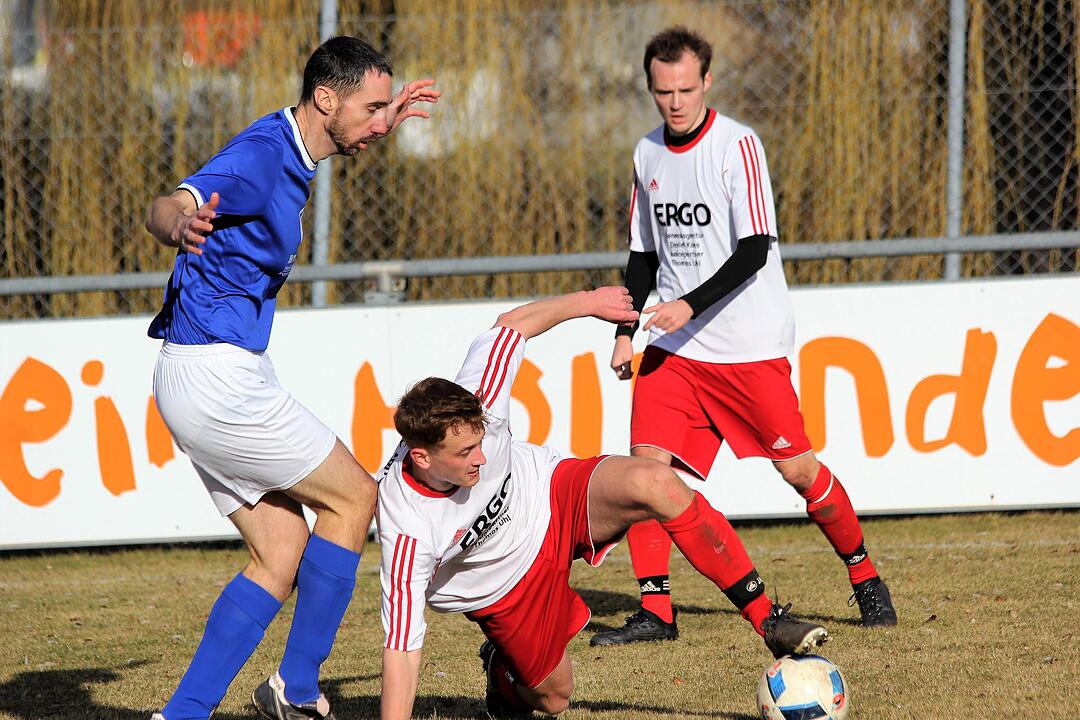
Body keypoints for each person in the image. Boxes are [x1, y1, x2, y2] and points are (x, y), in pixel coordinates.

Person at [144, 36, 439, 720]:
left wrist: (382, 118)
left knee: (282, 549)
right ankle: (296, 687)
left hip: (197, 373)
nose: (376, 121)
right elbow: (164, 203)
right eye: (368, 107)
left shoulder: (298, 145)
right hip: (217, 375)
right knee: (356, 498)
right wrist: (179, 223)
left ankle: (182, 714)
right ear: (326, 99)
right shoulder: (260, 155)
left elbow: (338, 135)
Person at [376, 287, 828, 719]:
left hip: (551, 494)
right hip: (504, 588)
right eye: (464, 454)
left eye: (480, 442)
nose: (482, 456)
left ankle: (768, 619)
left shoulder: (480, 398)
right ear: (421, 457)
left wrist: (592, 302)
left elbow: (514, 324)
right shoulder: (406, 528)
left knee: (656, 481)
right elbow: (401, 650)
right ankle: (503, 671)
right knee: (554, 698)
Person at [592, 26, 896, 648]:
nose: (674, 102)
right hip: (675, 350)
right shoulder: (646, 153)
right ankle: (657, 610)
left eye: (685, 89)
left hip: (747, 346)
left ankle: (864, 574)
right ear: (650, 88)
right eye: (661, 91)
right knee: (644, 472)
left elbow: (754, 250)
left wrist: (686, 305)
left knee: (798, 469)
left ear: (706, 81)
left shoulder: (738, 147)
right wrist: (628, 331)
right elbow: (642, 256)